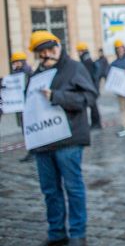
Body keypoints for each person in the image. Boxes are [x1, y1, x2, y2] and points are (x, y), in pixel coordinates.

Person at [28, 30, 98, 246]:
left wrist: (57, 97)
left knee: (73, 187)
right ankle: (56, 232)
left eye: (50, 49)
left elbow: (89, 97)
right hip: (43, 141)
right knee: (50, 190)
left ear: (58, 47)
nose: (47, 54)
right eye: (42, 52)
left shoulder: (73, 68)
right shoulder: (35, 75)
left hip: (69, 140)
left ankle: (78, 234)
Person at [6, 52, 34, 162]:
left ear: (21, 62)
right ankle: (32, 151)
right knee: (25, 130)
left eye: (15, 62)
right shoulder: (16, 74)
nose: (14, 64)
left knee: (29, 130)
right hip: (21, 107)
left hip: (27, 107)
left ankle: (33, 152)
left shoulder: (27, 74)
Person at [75, 43, 102, 129]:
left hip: (90, 88)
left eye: (79, 51)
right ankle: (95, 123)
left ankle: (96, 123)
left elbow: (88, 76)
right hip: (91, 87)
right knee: (93, 106)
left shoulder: (87, 62)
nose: (78, 53)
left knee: (93, 106)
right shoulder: (87, 60)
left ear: (82, 51)